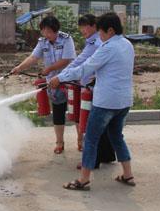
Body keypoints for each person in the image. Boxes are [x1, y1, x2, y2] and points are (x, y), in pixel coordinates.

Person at [48, 12, 136, 190]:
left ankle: (83, 180)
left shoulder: (108, 47)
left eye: (101, 32)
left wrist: (60, 78)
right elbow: (115, 69)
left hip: (106, 102)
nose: (99, 36)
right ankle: (128, 175)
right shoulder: (127, 44)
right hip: (123, 101)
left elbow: (85, 68)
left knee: (90, 139)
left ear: (110, 31)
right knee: (116, 137)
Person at [11, 15, 75, 153]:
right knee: (58, 113)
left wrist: (49, 69)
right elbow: (33, 57)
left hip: (69, 81)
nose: (46, 35)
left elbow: (66, 60)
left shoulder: (66, 39)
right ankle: (59, 142)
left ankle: (81, 141)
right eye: (44, 31)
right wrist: (19, 68)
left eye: (49, 32)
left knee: (75, 113)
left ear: (56, 30)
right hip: (53, 83)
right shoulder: (43, 42)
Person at [60, 14, 102, 151]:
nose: (82, 30)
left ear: (94, 26)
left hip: (93, 89)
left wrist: (61, 76)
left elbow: (80, 62)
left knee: (89, 121)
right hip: (85, 87)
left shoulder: (96, 43)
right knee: (83, 117)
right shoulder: (91, 41)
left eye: (85, 26)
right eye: (81, 27)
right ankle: (86, 145)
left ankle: (91, 151)